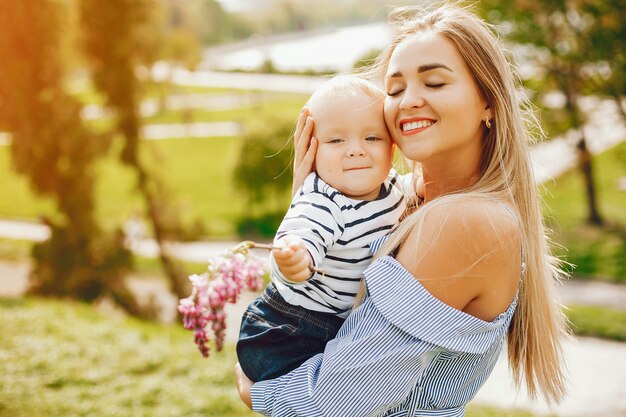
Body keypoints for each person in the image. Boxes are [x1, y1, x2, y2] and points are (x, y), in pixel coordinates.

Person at [235, 4, 570, 416]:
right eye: (394, 90)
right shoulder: (402, 202)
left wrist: (255, 391)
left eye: (433, 82)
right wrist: (313, 204)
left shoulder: (465, 223)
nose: (409, 100)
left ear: (489, 102)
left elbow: (331, 402)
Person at [236, 75, 407, 382]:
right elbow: (301, 233)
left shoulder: (392, 185)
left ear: (392, 149)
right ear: (312, 154)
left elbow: (413, 186)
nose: (355, 150)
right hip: (293, 329)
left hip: (339, 326)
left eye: (372, 138)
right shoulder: (323, 201)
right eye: (336, 140)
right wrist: (295, 258)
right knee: (321, 394)